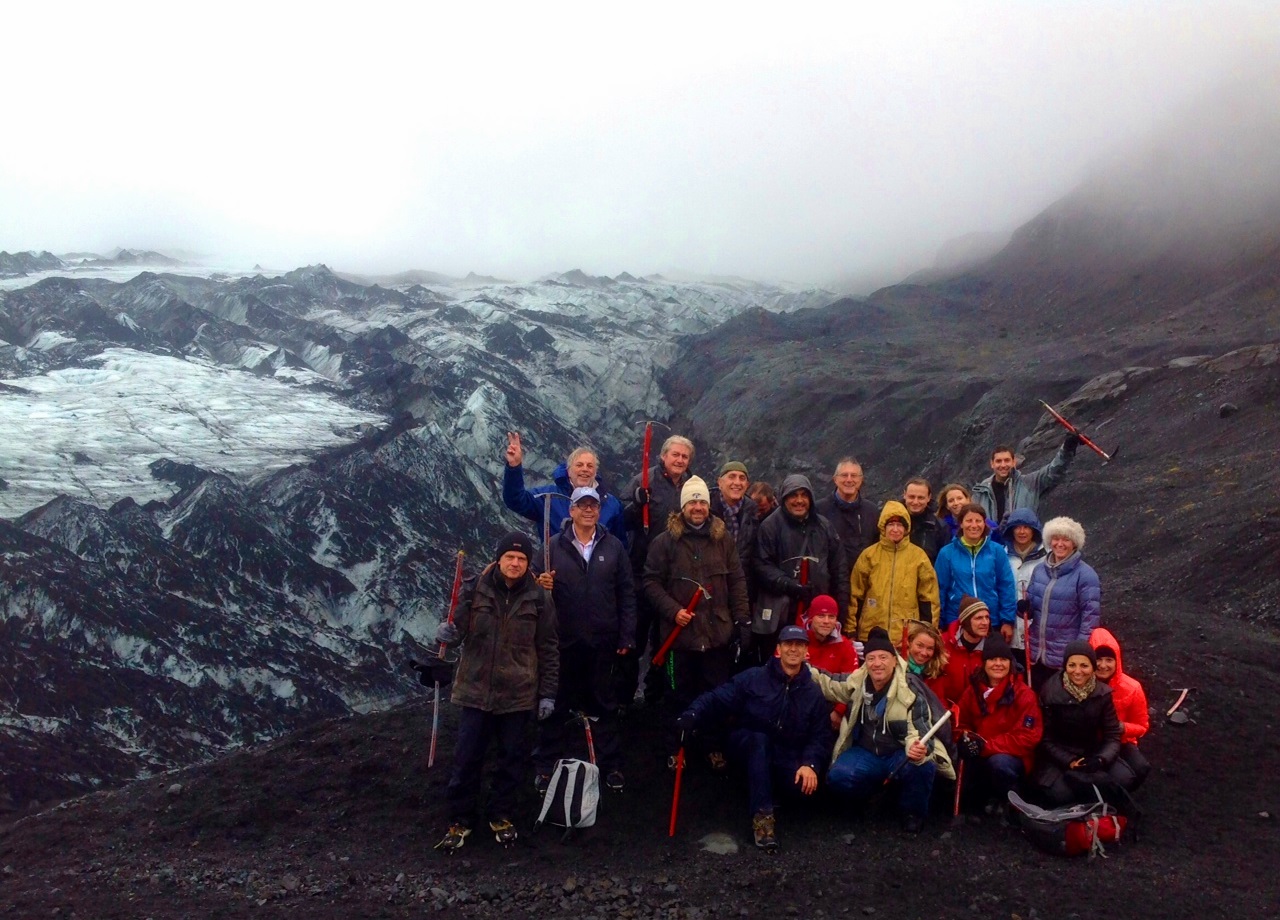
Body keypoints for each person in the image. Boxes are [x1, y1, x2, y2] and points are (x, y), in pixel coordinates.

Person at [434, 532, 558, 851]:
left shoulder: (539, 598)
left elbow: (548, 647)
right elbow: (458, 629)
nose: (515, 563)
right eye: (510, 558)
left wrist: (547, 693)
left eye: (521, 559)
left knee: (512, 760)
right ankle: (460, 820)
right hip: (476, 690)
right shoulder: (475, 589)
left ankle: (502, 815)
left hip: (517, 694)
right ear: (499, 559)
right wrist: (447, 632)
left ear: (529, 564)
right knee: (466, 759)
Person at [675, 625, 833, 850]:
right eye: (788, 644)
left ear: (807, 652)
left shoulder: (813, 693)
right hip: (746, 746)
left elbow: (821, 736)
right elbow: (717, 698)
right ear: (778, 649)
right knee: (759, 742)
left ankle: (767, 789)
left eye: (799, 645)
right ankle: (763, 819)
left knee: (801, 790)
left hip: (783, 754)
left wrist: (811, 763)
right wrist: (692, 714)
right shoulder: (754, 678)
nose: (793, 650)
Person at [643, 475, 750, 771]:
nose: (698, 507)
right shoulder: (665, 542)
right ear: (683, 507)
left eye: (702, 501)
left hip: (717, 636)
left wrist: (742, 620)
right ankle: (677, 747)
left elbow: (737, 580)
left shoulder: (723, 539)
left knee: (716, 695)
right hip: (680, 638)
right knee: (677, 695)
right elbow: (651, 582)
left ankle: (713, 746)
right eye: (692, 502)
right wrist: (673, 610)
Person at [532, 487, 635, 793]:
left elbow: (627, 594)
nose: (588, 510)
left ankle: (611, 765)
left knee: (604, 704)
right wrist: (540, 584)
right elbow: (531, 588)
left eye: (593, 506)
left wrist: (626, 634)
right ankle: (545, 766)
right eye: (582, 505)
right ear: (572, 511)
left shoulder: (614, 547)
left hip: (603, 641)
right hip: (563, 642)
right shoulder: (551, 547)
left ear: (598, 512)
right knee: (556, 704)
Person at [810, 627, 955, 833]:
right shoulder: (858, 682)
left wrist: (917, 747)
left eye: (883, 657)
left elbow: (921, 728)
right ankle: (870, 797)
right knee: (839, 777)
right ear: (866, 662)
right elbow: (829, 683)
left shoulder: (910, 688)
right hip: (867, 752)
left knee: (922, 765)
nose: (877, 663)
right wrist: (803, 667)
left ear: (895, 660)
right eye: (871, 658)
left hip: (899, 753)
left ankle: (912, 813)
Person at [621, 434, 695, 701]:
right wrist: (635, 504)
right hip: (640, 573)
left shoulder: (691, 485)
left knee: (665, 641)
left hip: (674, 577)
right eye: (675, 454)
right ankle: (623, 697)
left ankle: (655, 697)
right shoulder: (644, 480)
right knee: (635, 638)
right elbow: (621, 520)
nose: (679, 460)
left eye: (685, 456)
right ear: (663, 456)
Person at [1031, 641, 1136, 806]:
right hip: (1058, 756)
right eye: (1072, 665)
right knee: (1061, 795)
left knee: (1125, 778)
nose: (1078, 671)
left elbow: (1112, 735)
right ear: (1065, 666)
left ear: (1093, 668)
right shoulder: (1049, 693)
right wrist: (1069, 761)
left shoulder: (1103, 693)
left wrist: (1101, 759)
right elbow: (1044, 738)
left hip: (1093, 752)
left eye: (1084, 665)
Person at [755, 474, 850, 655]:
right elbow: (761, 564)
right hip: (781, 614)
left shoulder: (824, 527)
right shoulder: (770, 527)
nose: (799, 501)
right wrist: (788, 584)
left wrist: (840, 614)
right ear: (784, 498)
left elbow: (839, 570)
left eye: (803, 495)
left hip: (818, 614)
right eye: (793, 495)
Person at [955, 635, 1043, 815]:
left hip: (1011, 756)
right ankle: (977, 802)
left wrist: (986, 746)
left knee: (999, 764)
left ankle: (1013, 803)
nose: (998, 664)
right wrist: (964, 739)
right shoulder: (973, 690)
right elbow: (961, 722)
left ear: (1010, 663)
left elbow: (1028, 737)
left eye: (1003, 659)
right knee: (963, 758)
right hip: (981, 748)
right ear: (984, 663)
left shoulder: (1024, 694)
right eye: (992, 659)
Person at [502, 432, 626, 543]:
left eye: (590, 466)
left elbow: (620, 545)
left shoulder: (611, 504)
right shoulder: (548, 498)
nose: (585, 469)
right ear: (568, 470)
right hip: (558, 568)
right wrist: (514, 467)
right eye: (579, 465)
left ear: (595, 472)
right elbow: (515, 500)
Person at [1026, 517, 1101, 691]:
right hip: (1037, 654)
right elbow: (1030, 609)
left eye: (1066, 539)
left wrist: (1077, 653)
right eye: (1056, 538)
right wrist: (1024, 607)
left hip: (1063, 658)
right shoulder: (1039, 570)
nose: (1060, 544)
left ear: (1075, 543)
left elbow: (1090, 619)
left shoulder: (1086, 575)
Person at [848, 501, 940, 643]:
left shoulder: (918, 557)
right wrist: (850, 629)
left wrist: (929, 632)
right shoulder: (869, 555)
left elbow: (929, 599)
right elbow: (855, 595)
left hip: (907, 635)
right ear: (883, 527)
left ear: (906, 528)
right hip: (872, 633)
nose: (895, 529)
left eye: (899, 525)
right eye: (891, 524)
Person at [935, 503, 1017, 641]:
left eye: (978, 521)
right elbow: (939, 589)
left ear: (984, 523)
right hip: (956, 620)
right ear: (961, 524)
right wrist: (939, 622)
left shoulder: (996, 551)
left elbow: (1006, 586)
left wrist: (1007, 620)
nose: (974, 525)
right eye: (969, 520)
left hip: (991, 621)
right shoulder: (947, 553)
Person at [1089, 627, 1150, 790]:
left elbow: (1142, 726)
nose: (1103, 665)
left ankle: (1122, 796)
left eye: (1109, 660)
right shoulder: (1082, 684)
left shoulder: (1132, 688)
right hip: (1090, 742)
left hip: (1121, 740)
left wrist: (1121, 727)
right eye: (1098, 659)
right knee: (1117, 776)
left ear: (1118, 660)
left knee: (1141, 768)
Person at [971, 438, 1079, 529]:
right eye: (999, 461)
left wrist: (1067, 449)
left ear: (1014, 462)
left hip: (1021, 548)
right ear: (992, 464)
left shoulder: (1030, 483)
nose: (1003, 465)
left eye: (1007, 460)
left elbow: (1054, 471)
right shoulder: (981, 492)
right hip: (991, 550)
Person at [804, 594, 859, 730]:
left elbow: (853, 683)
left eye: (831, 617)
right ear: (811, 618)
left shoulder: (845, 646)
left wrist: (839, 711)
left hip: (830, 709)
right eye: (821, 616)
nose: (826, 621)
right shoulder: (798, 641)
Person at [710, 460, 760, 601]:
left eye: (742, 478)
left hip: (743, 588)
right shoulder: (703, 509)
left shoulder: (754, 513)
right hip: (710, 586)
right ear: (720, 482)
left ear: (747, 485)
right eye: (731, 477)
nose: (737, 482)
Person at [934, 595, 994, 709]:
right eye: (979, 618)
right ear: (965, 622)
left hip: (980, 711)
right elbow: (934, 682)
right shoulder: (943, 643)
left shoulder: (993, 645)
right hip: (946, 711)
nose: (985, 622)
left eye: (987, 617)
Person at [815, 457, 880, 558]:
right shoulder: (819, 510)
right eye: (844, 475)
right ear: (835, 479)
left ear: (861, 480)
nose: (849, 480)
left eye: (854, 476)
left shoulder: (872, 512)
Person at [1002, 508, 1047, 652]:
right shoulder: (1002, 555)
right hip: (1010, 626)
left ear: (1034, 530)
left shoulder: (1046, 556)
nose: (1022, 532)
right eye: (1017, 527)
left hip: (1038, 628)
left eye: (1026, 527)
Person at [904, 620, 949, 704]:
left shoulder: (935, 673)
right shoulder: (896, 667)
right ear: (909, 642)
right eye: (919, 646)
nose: (924, 653)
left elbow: (939, 703)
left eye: (930, 648)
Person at [902, 478, 944, 563]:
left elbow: (943, 562)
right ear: (904, 495)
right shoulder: (891, 522)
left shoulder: (940, 527)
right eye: (911, 497)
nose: (915, 502)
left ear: (929, 498)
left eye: (920, 498)